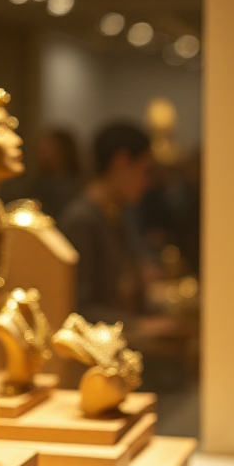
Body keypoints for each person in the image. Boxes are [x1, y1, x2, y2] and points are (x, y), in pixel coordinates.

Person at [58, 122, 176, 337]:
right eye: (145, 171)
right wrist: (138, 325)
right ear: (121, 162)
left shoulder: (112, 212)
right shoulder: (83, 220)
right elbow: (78, 308)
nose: (148, 182)